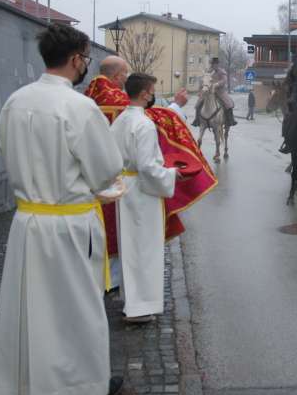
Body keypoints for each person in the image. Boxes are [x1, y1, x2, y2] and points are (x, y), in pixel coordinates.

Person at [0, 24, 125, 395]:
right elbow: (105, 170)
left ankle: (36, 387)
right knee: (78, 308)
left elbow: (4, 148)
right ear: (75, 59)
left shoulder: (15, 101)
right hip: (69, 223)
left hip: (28, 222)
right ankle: (85, 385)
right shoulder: (79, 107)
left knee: (31, 310)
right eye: (85, 58)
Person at [85, 57, 218, 291]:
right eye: (125, 74)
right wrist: (173, 174)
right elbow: (150, 125)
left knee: (224, 103)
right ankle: (130, 294)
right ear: (117, 77)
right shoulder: (119, 104)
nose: (127, 79)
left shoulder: (93, 96)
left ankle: (120, 286)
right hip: (135, 186)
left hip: (110, 181)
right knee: (139, 244)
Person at [110, 73, 179, 324]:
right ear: (143, 94)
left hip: (124, 187)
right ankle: (141, 307)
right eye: (151, 91)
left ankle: (131, 300)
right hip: (141, 190)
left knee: (128, 247)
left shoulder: (119, 120)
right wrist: (171, 174)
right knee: (144, 249)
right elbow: (148, 167)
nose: (153, 96)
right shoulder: (145, 124)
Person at [194, 57, 237, 127]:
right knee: (198, 104)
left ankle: (230, 120)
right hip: (209, 92)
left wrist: (217, 84)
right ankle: (197, 120)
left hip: (220, 92)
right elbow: (203, 81)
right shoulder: (208, 71)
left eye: (216, 64)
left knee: (228, 103)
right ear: (212, 64)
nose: (214, 65)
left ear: (218, 64)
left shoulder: (222, 72)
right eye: (213, 64)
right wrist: (200, 90)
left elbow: (224, 80)